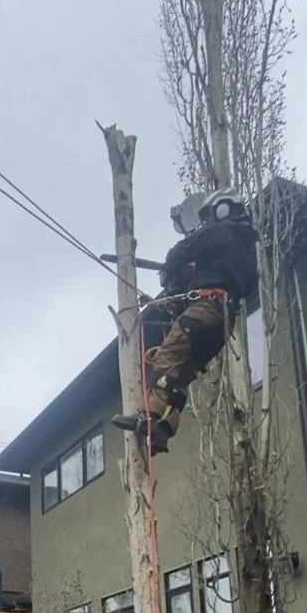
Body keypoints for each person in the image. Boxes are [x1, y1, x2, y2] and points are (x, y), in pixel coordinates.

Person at [112, 190, 259, 453]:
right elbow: (229, 284)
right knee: (181, 374)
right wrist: (189, 278)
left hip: (206, 308)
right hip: (223, 323)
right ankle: (163, 430)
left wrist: (174, 268)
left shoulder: (219, 233)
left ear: (222, 209)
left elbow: (178, 252)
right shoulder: (247, 251)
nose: (207, 222)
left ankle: (148, 416)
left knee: (168, 356)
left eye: (209, 216)